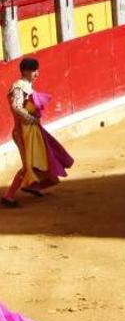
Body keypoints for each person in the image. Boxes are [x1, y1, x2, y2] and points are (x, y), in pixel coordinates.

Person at [3, 57, 74, 209]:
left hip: (31, 129)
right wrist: (30, 117)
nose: (37, 73)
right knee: (28, 164)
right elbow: (16, 106)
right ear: (25, 71)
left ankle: (33, 186)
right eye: (34, 70)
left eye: (37, 70)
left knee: (43, 159)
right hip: (23, 131)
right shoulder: (18, 86)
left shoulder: (27, 86)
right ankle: (8, 196)